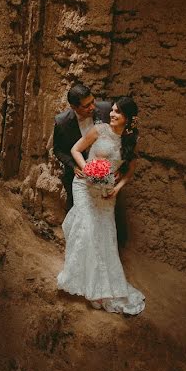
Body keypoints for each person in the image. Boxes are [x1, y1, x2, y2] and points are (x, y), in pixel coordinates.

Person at [56, 96, 145, 315]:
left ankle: (100, 287)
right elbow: (76, 150)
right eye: (112, 110)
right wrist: (88, 170)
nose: (112, 114)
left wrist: (117, 187)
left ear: (128, 119)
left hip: (107, 193)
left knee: (104, 237)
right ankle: (79, 279)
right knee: (87, 228)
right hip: (84, 186)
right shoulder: (100, 129)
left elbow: (129, 172)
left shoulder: (131, 140)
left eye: (118, 113)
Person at [53, 84, 129, 246]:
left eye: (93, 101)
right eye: (86, 105)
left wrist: (121, 168)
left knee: (102, 218)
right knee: (80, 217)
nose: (92, 107)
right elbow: (58, 150)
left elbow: (123, 142)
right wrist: (74, 166)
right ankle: (78, 250)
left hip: (106, 179)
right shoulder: (62, 122)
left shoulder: (107, 109)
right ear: (74, 107)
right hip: (78, 178)